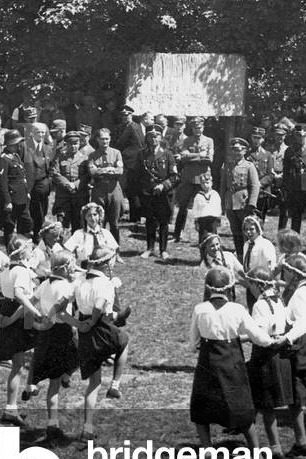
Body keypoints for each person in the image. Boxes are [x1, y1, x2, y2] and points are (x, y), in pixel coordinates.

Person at [188, 266, 273, 454]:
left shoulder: (200, 309)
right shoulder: (237, 309)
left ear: (208, 288)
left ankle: (207, 449)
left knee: (202, 409)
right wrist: (271, 340)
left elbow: (192, 344)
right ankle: (255, 453)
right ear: (229, 288)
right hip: (232, 364)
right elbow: (260, 337)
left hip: (208, 364)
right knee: (241, 407)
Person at [72, 247, 130, 440]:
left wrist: (81, 324)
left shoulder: (80, 280)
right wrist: (92, 322)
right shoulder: (105, 283)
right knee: (124, 340)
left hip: (84, 330)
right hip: (100, 326)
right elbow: (99, 308)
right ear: (106, 263)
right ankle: (115, 383)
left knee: (93, 382)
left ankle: (87, 428)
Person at [29, 250, 80, 442]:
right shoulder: (66, 287)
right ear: (66, 268)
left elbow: (32, 301)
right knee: (82, 357)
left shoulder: (43, 284)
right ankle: (53, 426)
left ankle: (53, 424)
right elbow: (61, 307)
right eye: (73, 265)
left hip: (46, 334)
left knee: (54, 382)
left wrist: (37, 321)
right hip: (62, 332)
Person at [245, 268, 294, 459]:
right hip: (279, 355)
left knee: (265, 405)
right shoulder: (279, 300)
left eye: (251, 285)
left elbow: (260, 335)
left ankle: (272, 448)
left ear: (258, 285)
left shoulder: (259, 305)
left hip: (264, 356)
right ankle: (275, 447)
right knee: (266, 405)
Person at [276, 253, 306, 458]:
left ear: (294, 274)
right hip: (305, 340)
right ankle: (300, 440)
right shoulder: (305, 290)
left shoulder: (301, 295)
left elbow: (302, 324)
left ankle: (302, 442)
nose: (282, 274)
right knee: (295, 393)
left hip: (300, 342)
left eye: (285, 270)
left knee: (294, 395)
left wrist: (286, 339)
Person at [0, 239, 43, 425]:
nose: (32, 252)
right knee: (21, 363)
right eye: (29, 250)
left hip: (11, 315)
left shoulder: (6, 270)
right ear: (22, 254)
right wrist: (34, 310)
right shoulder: (21, 271)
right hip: (20, 319)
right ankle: (15, 404)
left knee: (18, 364)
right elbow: (20, 295)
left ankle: (13, 406)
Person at [173, 116, 214, 244]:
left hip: (202, 178)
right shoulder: (187, 140)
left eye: (200, 127)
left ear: (203, 127)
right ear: (192, 129)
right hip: (189, 177)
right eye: (195, 128)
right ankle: (177, 234)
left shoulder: (209, 141)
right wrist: (198, 155)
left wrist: (190, 157)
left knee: (204, 207)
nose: (198, 130)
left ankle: (205, 235)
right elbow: (183, 157)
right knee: (183, 206)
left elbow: (209, 159)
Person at [138, 127, 178, 260]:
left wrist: (163, 185)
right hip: (148, 193)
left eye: (157, 136)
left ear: (161, 138)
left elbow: (175, 176)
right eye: (151, 136)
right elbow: (137, 174)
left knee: (163, 221)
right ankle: (149, 248)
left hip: (164, 194)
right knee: (150, 220)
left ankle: (163, 250)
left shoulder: (167, 154)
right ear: (147, 138)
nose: (154, 139)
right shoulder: (142, 154)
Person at [221, 137, 261, 260]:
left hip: (243, 203)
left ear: (244, 151)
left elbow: (255, 186)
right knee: (235, 231)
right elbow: (223, 185)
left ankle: (250, 255)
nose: (236, 153)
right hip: (230, 203)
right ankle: (239, 254)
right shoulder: (227, 165)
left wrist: (252, 203)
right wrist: (223, 203)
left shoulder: (249, 166)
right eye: (234, 150)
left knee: (247, 231)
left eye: (239, 150)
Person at [88, 127, 125, 243]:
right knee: (99, 221)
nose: (105, 142)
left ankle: (115, 250)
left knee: (115, 222)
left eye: (107, 139)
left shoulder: (116, 153)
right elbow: (92, 172)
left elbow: (120, 171)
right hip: (99, 190)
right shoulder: (92, 155)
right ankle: (100, 248)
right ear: (98, 140)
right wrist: (109, 169)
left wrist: (101, 170)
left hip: (114, 189)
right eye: (102, 139)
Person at [0, 129, 34, 244]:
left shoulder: (16, 156)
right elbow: (2, 182)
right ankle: (10, 249)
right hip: (12, 198)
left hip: (21, 197)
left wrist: (27, 191)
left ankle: (22, 246)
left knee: (26, 222)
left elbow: (22, 176)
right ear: (10, 144)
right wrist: (7, 201)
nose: (18, 145)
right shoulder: (3, 159)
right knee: (9, 225)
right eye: (16, 143)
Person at [51, 130, 89, 230]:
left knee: (79, 226)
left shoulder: (85, 158)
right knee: (61, 225)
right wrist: (68, 184)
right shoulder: (59, 157)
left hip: (80, 196)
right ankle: (59, 245)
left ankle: (77, 245)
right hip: (63, 197)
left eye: (75, 143)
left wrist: (75, 185)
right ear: (66, 144)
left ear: (80, 143)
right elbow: (55, 173)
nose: (73, 146)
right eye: (70, 144)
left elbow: (87, 176)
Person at [240, 215, 277, 312]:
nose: (248, 232)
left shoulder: (265, 244)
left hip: (262, 285)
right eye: (246, 229)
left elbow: (271, 267)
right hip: (250, 283)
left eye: (251, 229)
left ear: (258, 228)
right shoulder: (246, 245)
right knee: (253, 310)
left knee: (264, 310)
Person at [23, 122, 54, 237]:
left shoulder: (48, 148)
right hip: (28, 184)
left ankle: (38, 233)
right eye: (38, 132)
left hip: (43, 184)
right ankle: (29, 233)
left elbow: (51, 167)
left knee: (42, 211)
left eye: (43, 132)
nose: (41, 135)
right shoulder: (25, 146)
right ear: (32, 133)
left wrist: (48, 181)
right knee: (29, 211)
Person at [66, 202, 119, 266]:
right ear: (85, 217)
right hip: (84, 269)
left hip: (104, 268)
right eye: (89, 215)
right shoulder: (79, 234)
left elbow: (114, 251)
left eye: (95, 214)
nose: (93, 218)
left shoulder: (106, 233)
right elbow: (67, 250)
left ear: (99, 216)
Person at [190, 169, 222, 243]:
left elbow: (218, 207)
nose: (205, 185)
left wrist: (218, 218)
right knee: (203, 238)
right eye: (203, 183)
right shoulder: (198, 196)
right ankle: (203, 253)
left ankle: (213, 253)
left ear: (212, 183)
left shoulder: (215, 194)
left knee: (213, 238)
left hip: (213, 220)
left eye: (207, 183)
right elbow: (195, 209)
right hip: (202, 220)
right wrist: (196, 221)